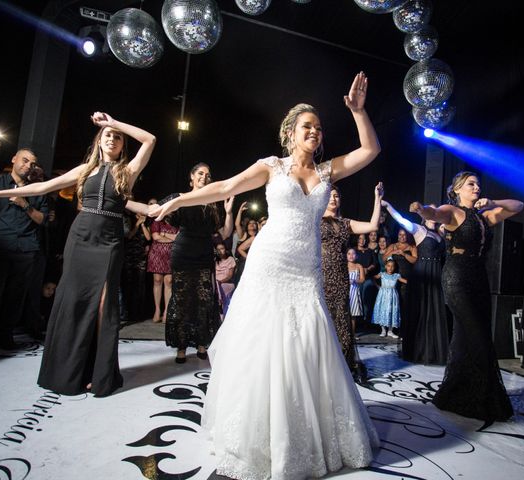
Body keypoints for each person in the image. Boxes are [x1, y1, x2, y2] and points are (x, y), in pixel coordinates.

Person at [151, 72, 380, 480]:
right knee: (265, 342)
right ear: (290, 133)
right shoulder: (271, 167)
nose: (314, 131)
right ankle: (260, 432)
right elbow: (224, 187)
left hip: (305, 269)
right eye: (306, 126)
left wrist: (359, 112)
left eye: (319, 127)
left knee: (308, 339)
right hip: (269, 262)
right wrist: (180, 200)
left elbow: (370, 149)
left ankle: (306, 431)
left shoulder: (328, 172)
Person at [0, 112, 157, 396]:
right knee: (72, 301)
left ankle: (98, 373)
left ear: (122, 145)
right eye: (107, 135)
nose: (112, 138)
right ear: (98, 142)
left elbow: (150, 139)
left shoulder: (127, 172)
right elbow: (44, 187)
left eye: (117, 137)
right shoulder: (84, 170)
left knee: (102, 305)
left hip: (109, 240)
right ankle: (68, 371)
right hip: (81, 237)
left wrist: (113, 123)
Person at [410, 171, 524, 422]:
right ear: (458, 189)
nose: (476, 188)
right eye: (471, 184)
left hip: (480, 280)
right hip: (457, 279)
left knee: (463, 337)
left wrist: (495, 203)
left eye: (478, 184)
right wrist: (421, 210)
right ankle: (483, 400)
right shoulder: (453, 211)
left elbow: (518, 206)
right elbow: (434, 212)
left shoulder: (485, 217)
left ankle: (455, 395)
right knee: (478, 337)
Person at [0, 148, 48, 352]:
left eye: (32, 163)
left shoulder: (37, 190)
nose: (28, 166)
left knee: (15, 298)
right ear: (14, 159)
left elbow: (42, 219)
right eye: (25, 161)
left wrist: (24, 204)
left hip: (26, 251)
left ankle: (4, 337)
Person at [165, 163, 234, 364]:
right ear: (192, 178)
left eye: (208, 175)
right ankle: (182, 346)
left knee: (204, 300)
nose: (205, 177)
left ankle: (202, 343)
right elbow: (160, 213)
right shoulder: (181, 198)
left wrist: (229, 212)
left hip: (204, 255)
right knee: (182, 300)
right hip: (183, 253)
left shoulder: (213, 205)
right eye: (200, 173)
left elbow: (225, 234)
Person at [321, 182, 382, 375]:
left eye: (336, 196)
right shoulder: (313, 220)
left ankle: (340, 369)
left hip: (340, 277)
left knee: (341, 322)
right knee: (321, 321)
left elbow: (372, 225)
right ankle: (319, 367)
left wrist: (377, 199)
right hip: (318, 275)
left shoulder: (346, 223)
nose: (333, 198)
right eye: (330, 195)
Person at [382, 200, 450, 365]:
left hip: (436, 274)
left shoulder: (441, 234)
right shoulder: (419, 230)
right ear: (425, 214)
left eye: (437, 212)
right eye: (432, 211)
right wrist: (388, 205)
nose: (435, 214)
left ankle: (433, 351)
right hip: (422, 275)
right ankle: (417, 351)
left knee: (434, 312)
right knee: (420, 312)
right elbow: (400, 219)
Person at [147, 215, 177, 323]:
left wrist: (163, 234)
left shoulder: (176, 222)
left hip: (171, 255)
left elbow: (178, 237)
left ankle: (166, 312)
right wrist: (171, 238)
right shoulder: (157, 222)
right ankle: (157, 310)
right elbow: (155, 237)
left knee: (169, 282)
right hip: (157, 254)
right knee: (157, 281)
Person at [371, 257, 405, 338]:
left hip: (392, 297)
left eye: (392, 266)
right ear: (385, 266)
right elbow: (373, 278)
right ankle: (383, 330)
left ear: (394, 267)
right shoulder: (382, 274)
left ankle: (390, 331)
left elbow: (405, 281)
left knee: (392, 311)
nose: (390, 268)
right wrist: (377, 286)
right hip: (383, 296)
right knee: (383, 310)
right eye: (389, 266)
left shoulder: (396, 276)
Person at [347, 247, 366, 340]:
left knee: (353, 315)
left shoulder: (359, 266)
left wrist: (355, 280)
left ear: (356, 256)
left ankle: (352, 334)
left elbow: (362, 279)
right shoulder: (344, 265)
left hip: (354, 291)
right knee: (345, 313)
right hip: (345, 291)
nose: (351, 256)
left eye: (353, 254)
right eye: (349, 254)